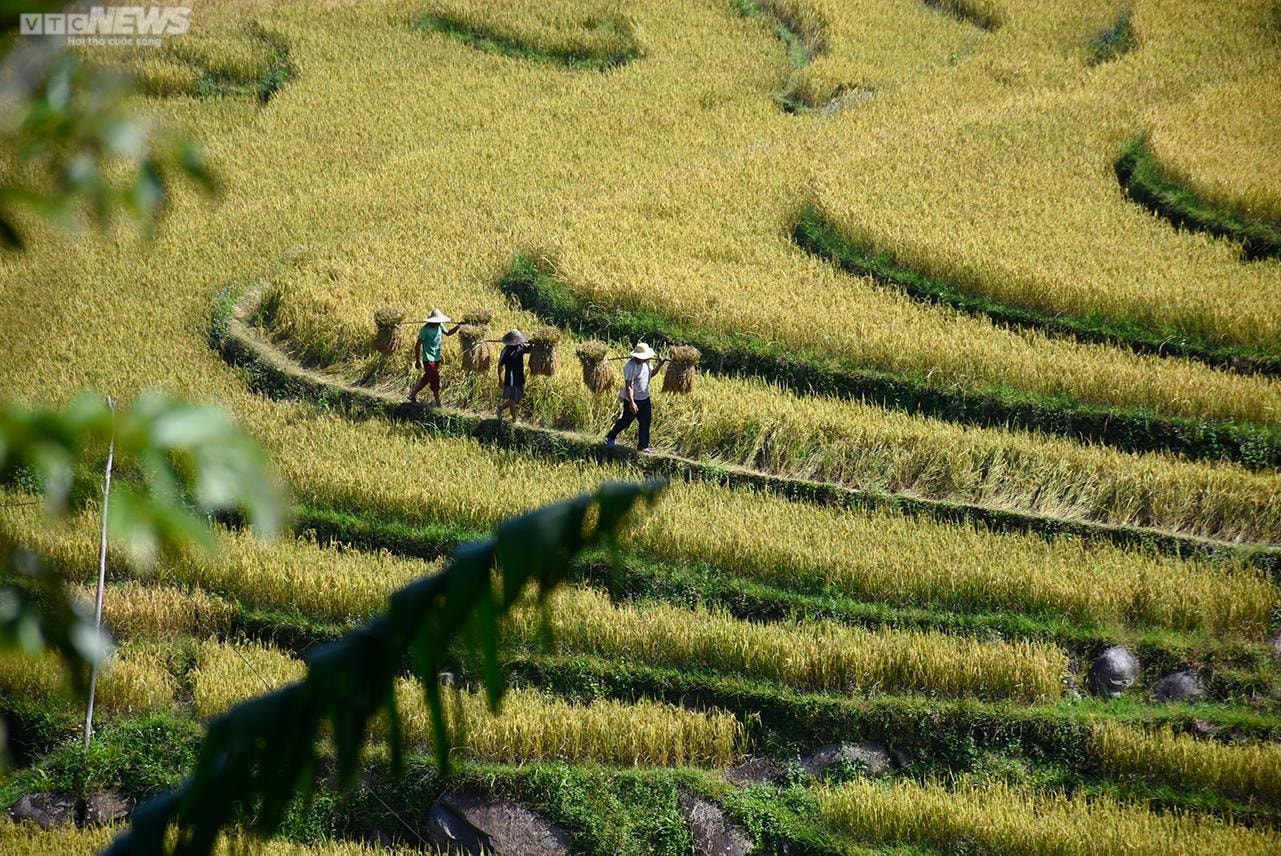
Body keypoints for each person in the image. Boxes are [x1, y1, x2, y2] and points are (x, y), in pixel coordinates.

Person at [605, 341, 665, 453]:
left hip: (645, 398)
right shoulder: (630, 366)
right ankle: (610, 437)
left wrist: (660, 365)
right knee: (626, 420)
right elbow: (628, 386)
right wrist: (632, 402)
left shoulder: (646, 363)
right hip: (632, 399)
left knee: (645, 421)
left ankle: (643, 446)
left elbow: (650, 374)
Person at [409, 308, 461, 406]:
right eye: (436, 322)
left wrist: (458, 326)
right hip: (428, 360)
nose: (438, 323)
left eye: (439, 321)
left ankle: (412, 395)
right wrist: (417, 361)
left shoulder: (440, 326)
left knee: (427, 378)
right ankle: (438, 404)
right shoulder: (425, 330)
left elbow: (448, 333)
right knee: (435, 381)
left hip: (437, 358)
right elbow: (417, 345)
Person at [496, 329, 531, 422]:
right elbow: (500, 365)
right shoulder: (506, 351)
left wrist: (535, 344)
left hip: (520, 376)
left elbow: (529, 350)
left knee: (518, 399)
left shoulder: (521, 346)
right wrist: (500, 379)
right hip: (511, 377)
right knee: (512, 399)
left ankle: (500, 408)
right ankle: (514, 419)